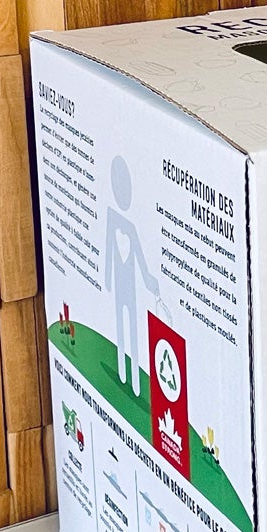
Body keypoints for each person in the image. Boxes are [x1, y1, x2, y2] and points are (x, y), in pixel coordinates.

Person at [103, 155, 161, 394]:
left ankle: (136, 383)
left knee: (134, 333)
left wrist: (150, 283)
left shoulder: (131, 228)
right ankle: (121, 372)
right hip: (119, 285)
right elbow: (108, 251)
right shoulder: (112, 219)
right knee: (121, 329)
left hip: (132, 287)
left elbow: (140, 258)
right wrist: (106, 278)